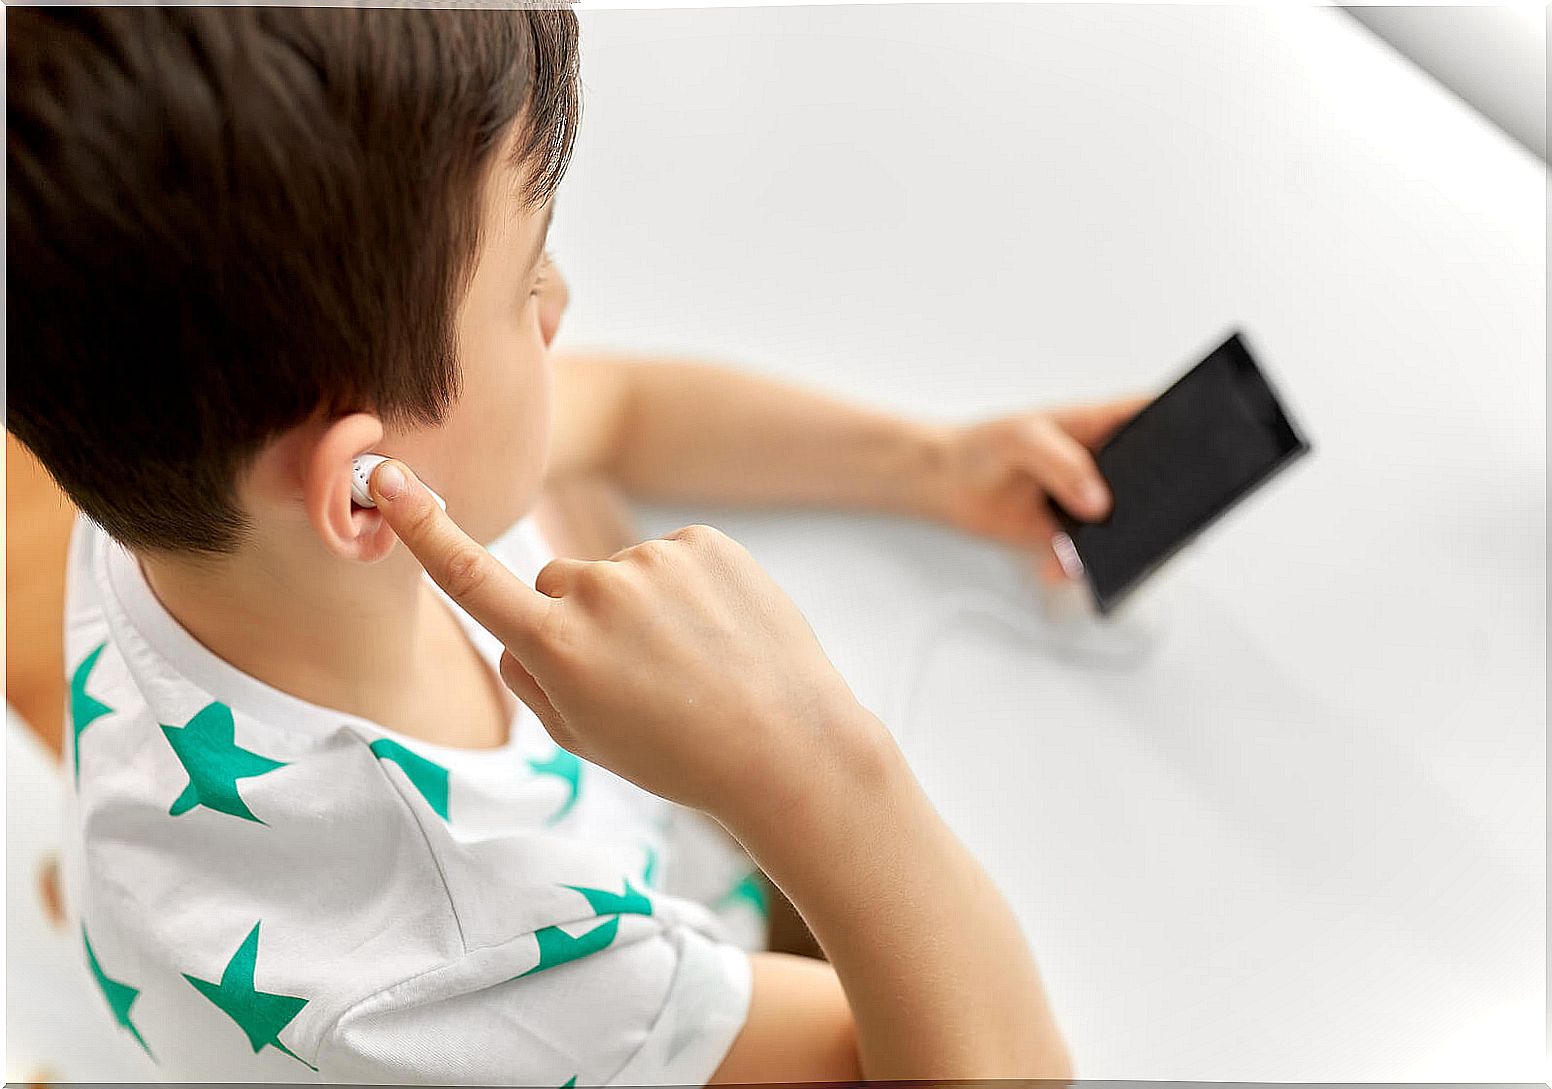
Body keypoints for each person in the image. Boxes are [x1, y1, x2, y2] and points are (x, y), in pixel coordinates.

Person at [7, 7, 1142, 1083]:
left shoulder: (173, 489)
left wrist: (928, 465)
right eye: (521, 278)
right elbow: (1008, 1073)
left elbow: (621, 412)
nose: (560, 296)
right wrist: (816, 767)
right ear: (365, 490)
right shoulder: (474, 963)